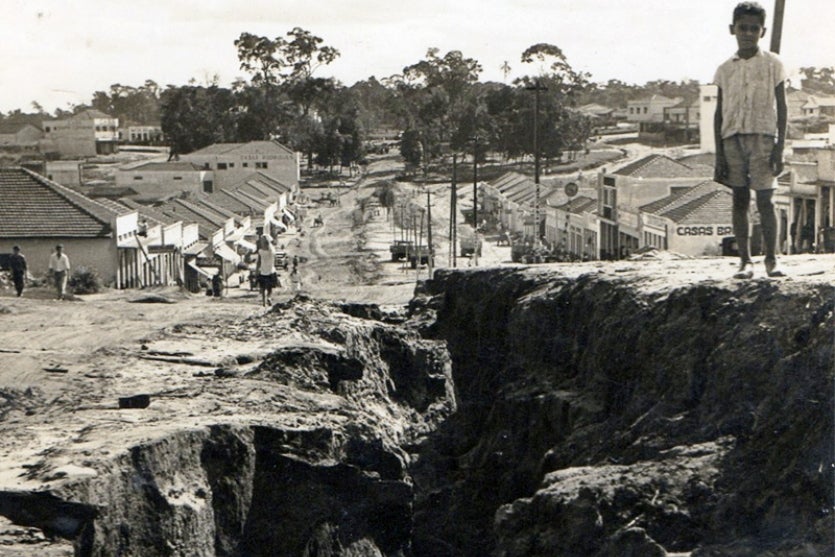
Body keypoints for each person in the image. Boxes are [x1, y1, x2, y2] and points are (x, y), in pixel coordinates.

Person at [713, 1, 787, 279]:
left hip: (763, 139)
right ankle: (745, 261)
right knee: (740, 199)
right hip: (732, 140)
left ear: (762, 32)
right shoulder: (724, 69)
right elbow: (719, 112)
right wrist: (719, 154)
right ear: (732, 29)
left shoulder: (773, 64)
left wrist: (780, 148)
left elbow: (782, 108)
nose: (747, 33)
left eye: (754, 29)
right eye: (742, 27)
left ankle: (772, 259)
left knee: (766, 200)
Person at [255, 235, 277, 307]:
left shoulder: (260, 251)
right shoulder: (272, 251)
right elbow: (275, 258)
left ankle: (264, 302)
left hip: (263, 271)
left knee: (263, 288)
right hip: (271, 271)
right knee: (270, 288)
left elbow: (258, 262)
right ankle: (269, 298)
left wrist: (256, 270)